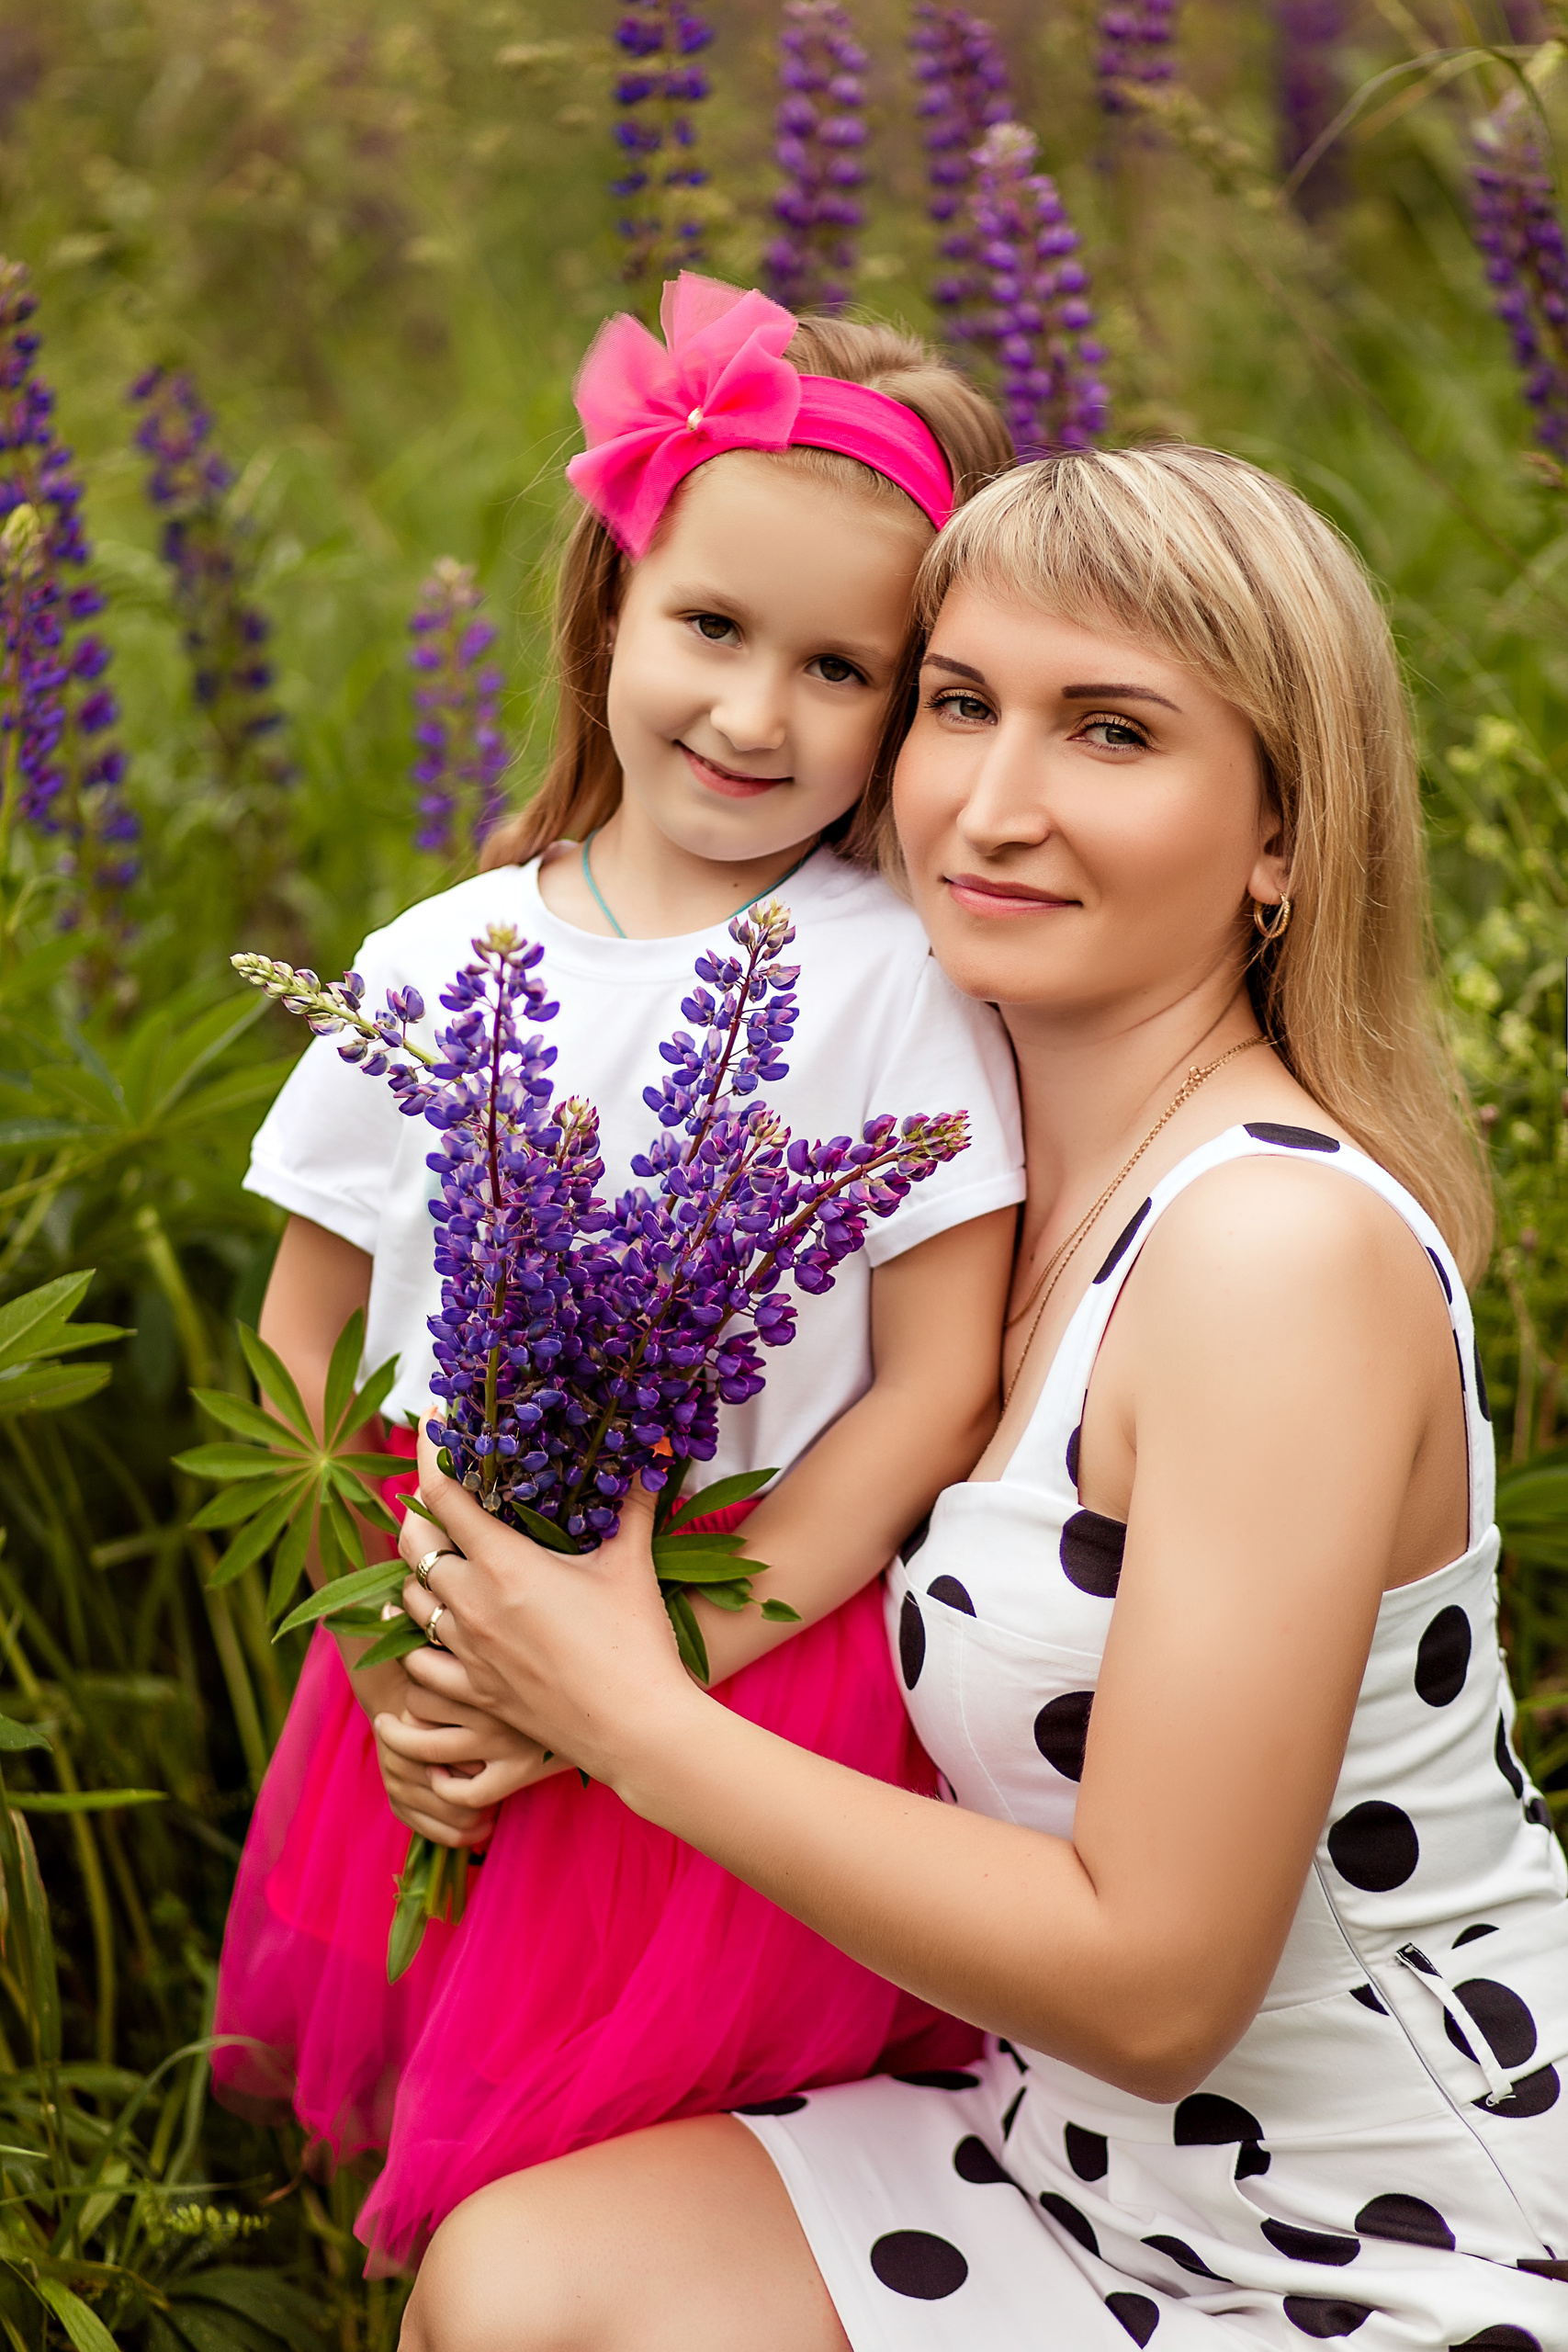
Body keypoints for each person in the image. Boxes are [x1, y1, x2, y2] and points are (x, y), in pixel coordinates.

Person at [388, 446, 1568, 2351]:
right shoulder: (951, 1192)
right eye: (956, 705)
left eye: (1109, 731)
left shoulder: (1268, 1249)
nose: (993, 804)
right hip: (1065, 2149)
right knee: (515, 2284)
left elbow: (1161, 1979)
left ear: (1278, 834)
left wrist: (618, 1709)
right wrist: (495, 1672)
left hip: (1365, 2225)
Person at [211, 273, 1027, 2272]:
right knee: (417, 2118)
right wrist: (405, 1641)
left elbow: (937, 1381)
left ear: (915, 705)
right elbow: (302, 1330)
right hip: (447, 1598)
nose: (754, 714)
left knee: (641, 2154)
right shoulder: (430, 959)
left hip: (752, 1649)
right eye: (712, 627)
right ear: (609, 619)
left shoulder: (907, 980)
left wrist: (651, 1675)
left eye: (840, 668)